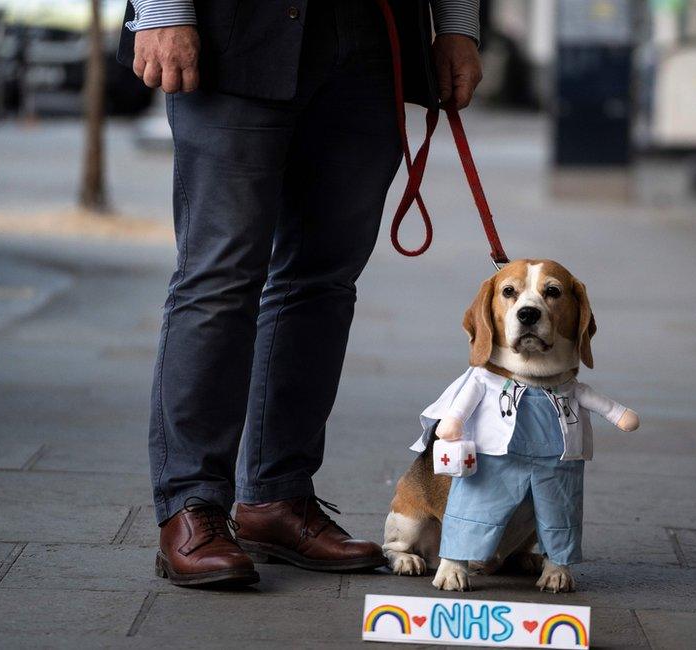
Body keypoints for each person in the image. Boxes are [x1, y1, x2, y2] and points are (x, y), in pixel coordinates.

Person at [117, 0, 483, 587]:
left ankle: (276, 500)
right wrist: (163, 10)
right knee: (220, 276)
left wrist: (458, 26)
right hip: (236, 29)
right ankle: (192, 507)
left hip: (372, 37)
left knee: (323, 282)